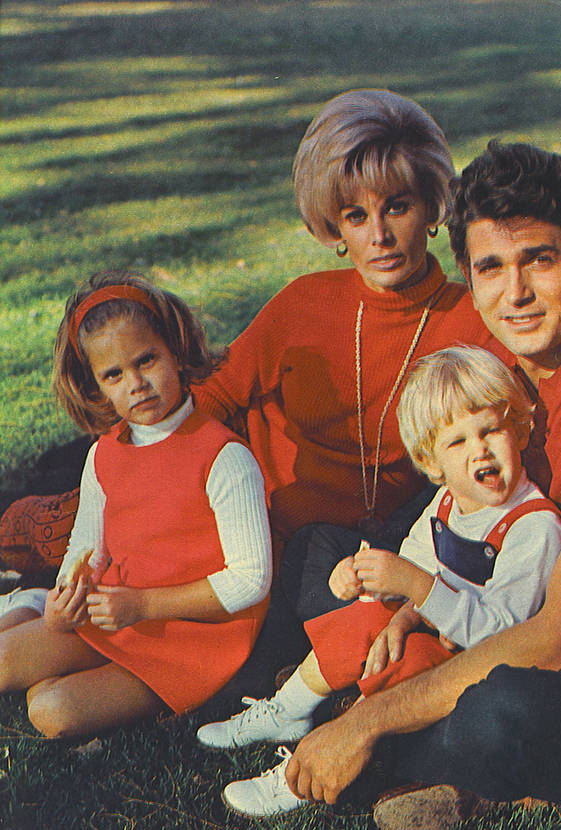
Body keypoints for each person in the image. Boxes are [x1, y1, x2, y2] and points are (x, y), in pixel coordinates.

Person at [271, 140, 561, 830]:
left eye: (539, 261)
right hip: (497, 607)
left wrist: (372, 718)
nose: (513, 294)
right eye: (490, 268)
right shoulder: (501, 361)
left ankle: (390, 733)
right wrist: (397, 600)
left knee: (500, 715)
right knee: (327, 552)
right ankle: (395, 723)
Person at [0, 89, 508, 584]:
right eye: (356, 216)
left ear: (431, 206)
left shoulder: (470, 319)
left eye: (397, 207)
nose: (379, 235)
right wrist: (134, 489)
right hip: (237, 507)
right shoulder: (304, 303)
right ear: (334, 226)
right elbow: (210, 395)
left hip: (347, 551)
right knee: (50, 528)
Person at [197, 346, 561, 818]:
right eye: (457, 442)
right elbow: (411, 562)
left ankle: (313, 768)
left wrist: (415, 589)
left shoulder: (533, 526)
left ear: (517, 428)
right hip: (437, 634)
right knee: (367, 622)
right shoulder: (449, 501)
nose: (480, 450)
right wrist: (370, 584)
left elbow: (502, 633)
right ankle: (288, 710)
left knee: (405, 663)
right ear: (433, 462)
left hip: (480, 672)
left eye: (491, 430)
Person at [0, 272, 272, 738]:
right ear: (96, 387)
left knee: (50, 711)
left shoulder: (224, 457)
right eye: (114, 375)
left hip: (192, 639)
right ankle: (36, 605)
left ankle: (27, 613)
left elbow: (252, 580)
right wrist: (67, 594)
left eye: (146, 360)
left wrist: (142, 605)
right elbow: (87, 547)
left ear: (176, 350)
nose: (137, 384)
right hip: (116, 614)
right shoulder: (104, 453)